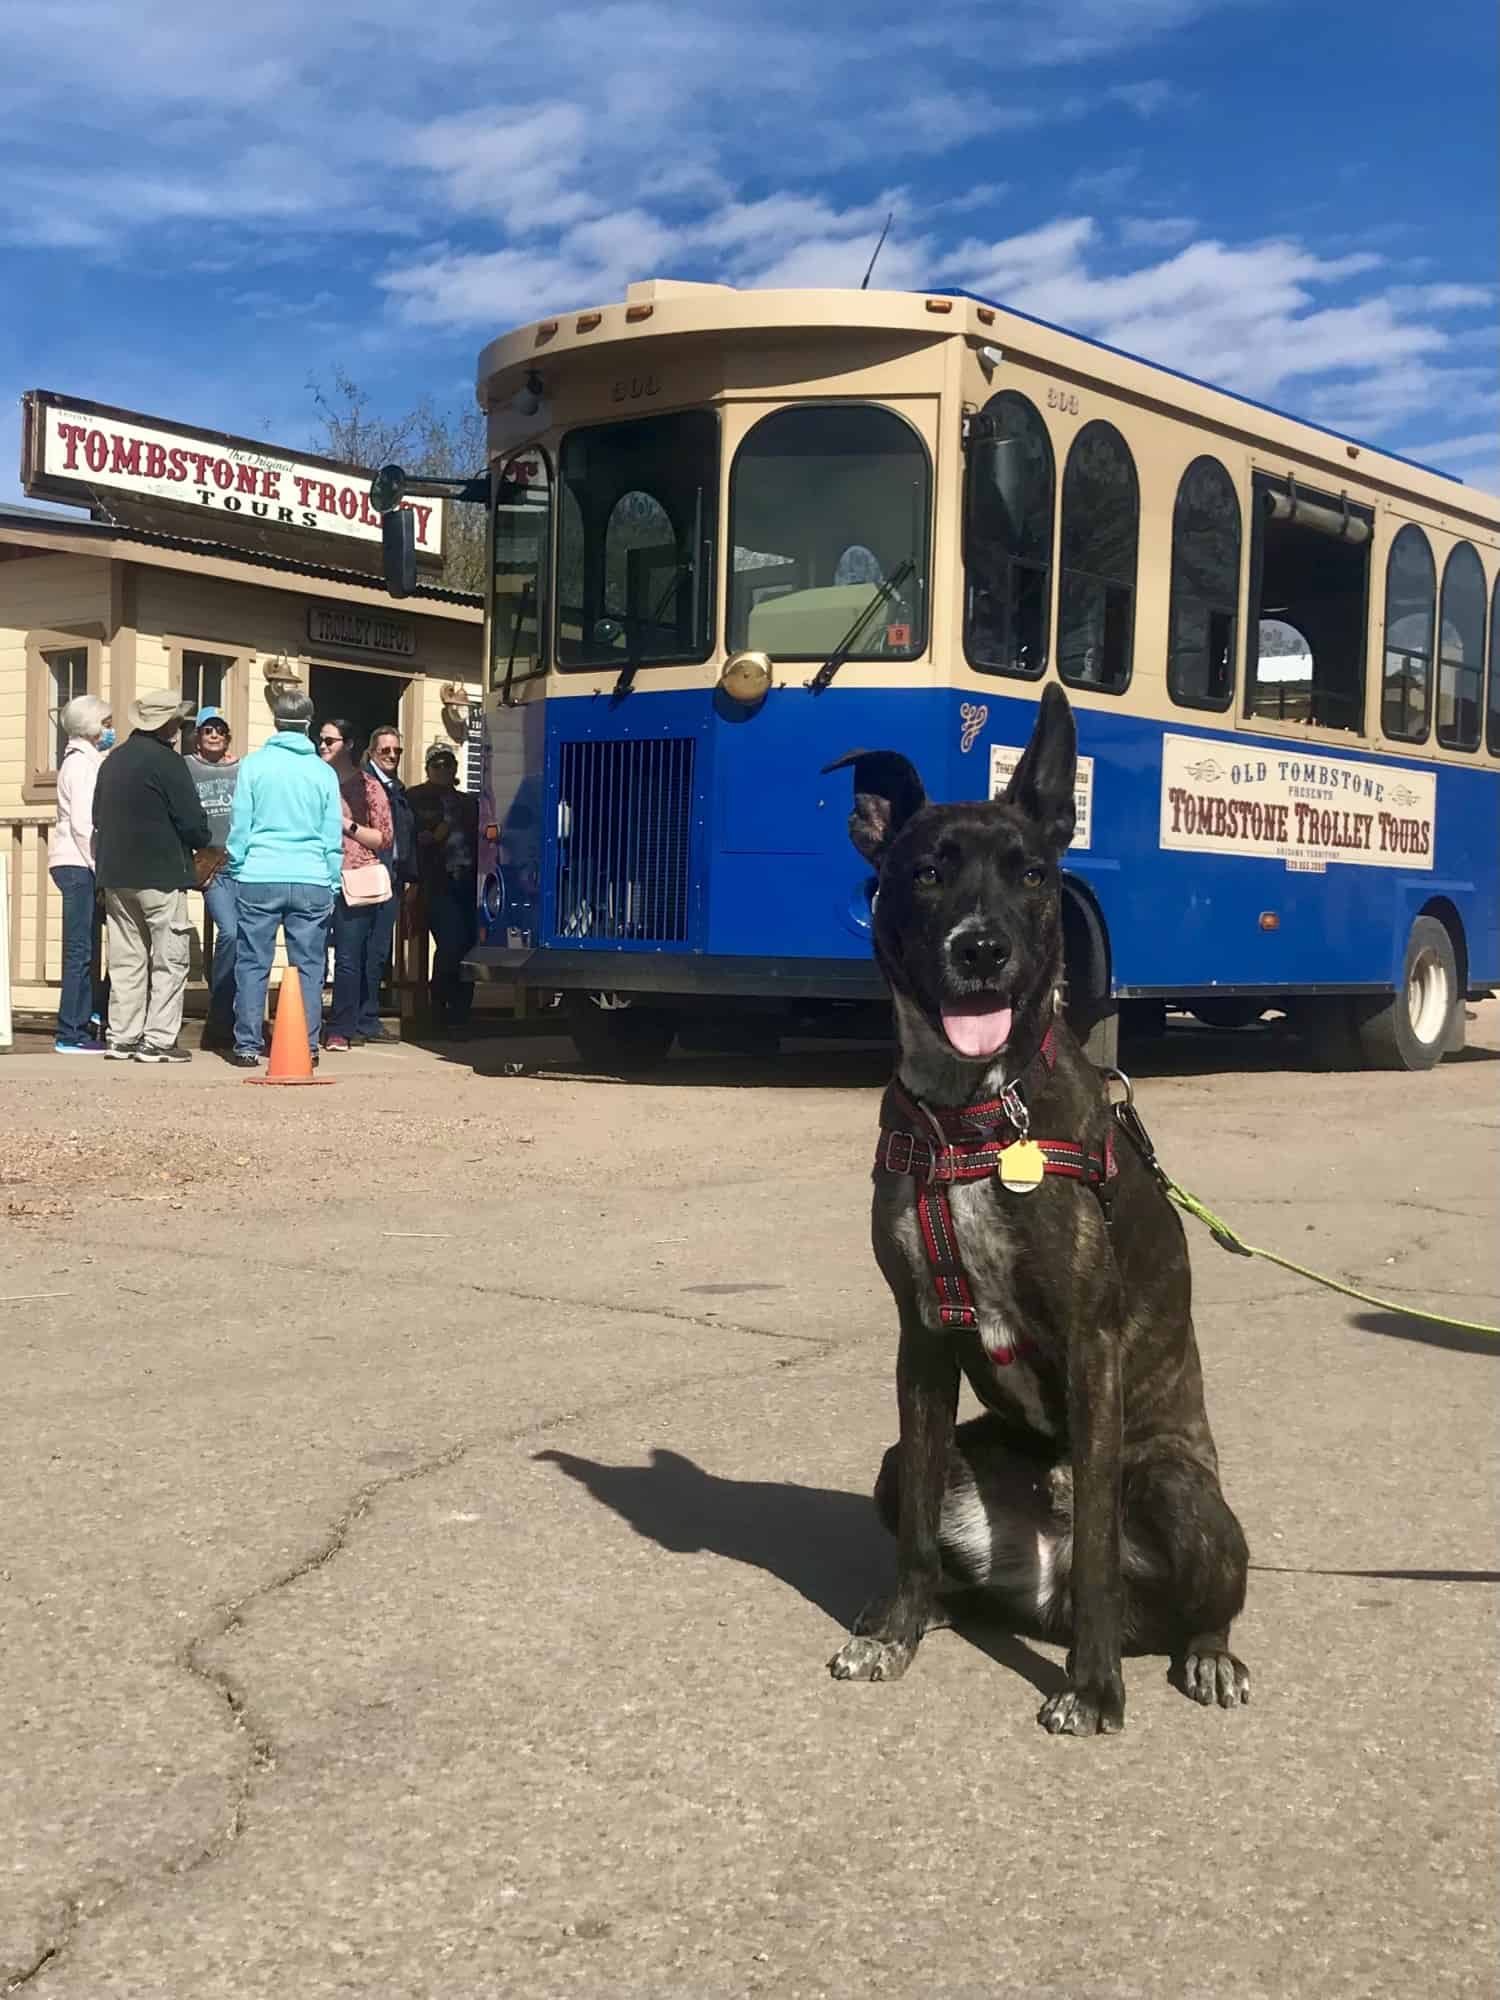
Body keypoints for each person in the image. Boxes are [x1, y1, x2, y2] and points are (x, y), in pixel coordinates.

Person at [92, 688, 213, 1064]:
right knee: (169, 958)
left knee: (126, 959)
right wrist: (203, 840)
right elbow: (193, 823)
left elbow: (97, 816)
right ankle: (158, 1040)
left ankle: (122, 1036)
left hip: (115, 872)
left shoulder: (112, 761)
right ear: (167, 724)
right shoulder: (168, 762)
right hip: (160, 873)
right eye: (177, 719)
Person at [223, 691, 342, 1070]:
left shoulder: (254, 767)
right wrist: (332, 879)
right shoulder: (323, 772)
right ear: (307, 725)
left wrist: (239, 865)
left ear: (275, 723)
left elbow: (240, 825)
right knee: (308, 965)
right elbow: (331, 834)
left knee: (253, 962)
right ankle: (305, 1045)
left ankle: (246, 1044)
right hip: (310, 875)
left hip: (260, 872)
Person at [317, 717, 394, 1053]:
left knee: (348, 958)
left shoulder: (369, 786)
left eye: (330, 741)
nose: (322, 746)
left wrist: (344, 822)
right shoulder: (313, 781)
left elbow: (383, 838)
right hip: (315, 875)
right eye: (320, 739)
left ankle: (341, 1028)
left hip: (355, 876)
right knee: (311, 956)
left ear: (347, 745)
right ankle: (307, 1025)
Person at [47, 694, 114, 1054]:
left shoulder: (86, 761)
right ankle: (69, 1031)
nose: (109, 730)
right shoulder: (81, 766)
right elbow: (83, 825)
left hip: (75, 862)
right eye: (105, 723)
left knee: (88, 945)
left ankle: (88, 1017)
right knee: (79, 950)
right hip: (78, 863)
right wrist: (98, 866)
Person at [408, 744, 479, 1032]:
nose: (443, 769)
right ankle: (438, 1009)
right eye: (437, 764)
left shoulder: (469, 803)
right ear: (427, 768)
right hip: (436, 881)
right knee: (451, 944)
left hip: (469, 881)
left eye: (448, 764)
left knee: (469, 946)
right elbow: (413, 837)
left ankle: (461, 1013)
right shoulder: (414, 798)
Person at [183, 706, 241, 1050]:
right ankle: (219, 1018)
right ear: (198, 736)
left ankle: (237, 1016)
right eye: (208, 730)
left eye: (220, 729)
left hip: (243, 864)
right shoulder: (187, 767)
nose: (214, 735)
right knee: (230, 932)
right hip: (212, 865)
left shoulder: (242, 768)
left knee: (247, 937)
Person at [361, 723, 416, 1043]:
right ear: (371, 752)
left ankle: (367, 1016)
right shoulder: (362, 785)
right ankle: (356, 1019)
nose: (392, 756)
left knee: (379, 951)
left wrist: (410, 878)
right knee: (358, 951)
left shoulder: (398, 789)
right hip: (365, 874)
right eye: (385, 750)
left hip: (392, 877)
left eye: (397, 751)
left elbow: (405, 839)